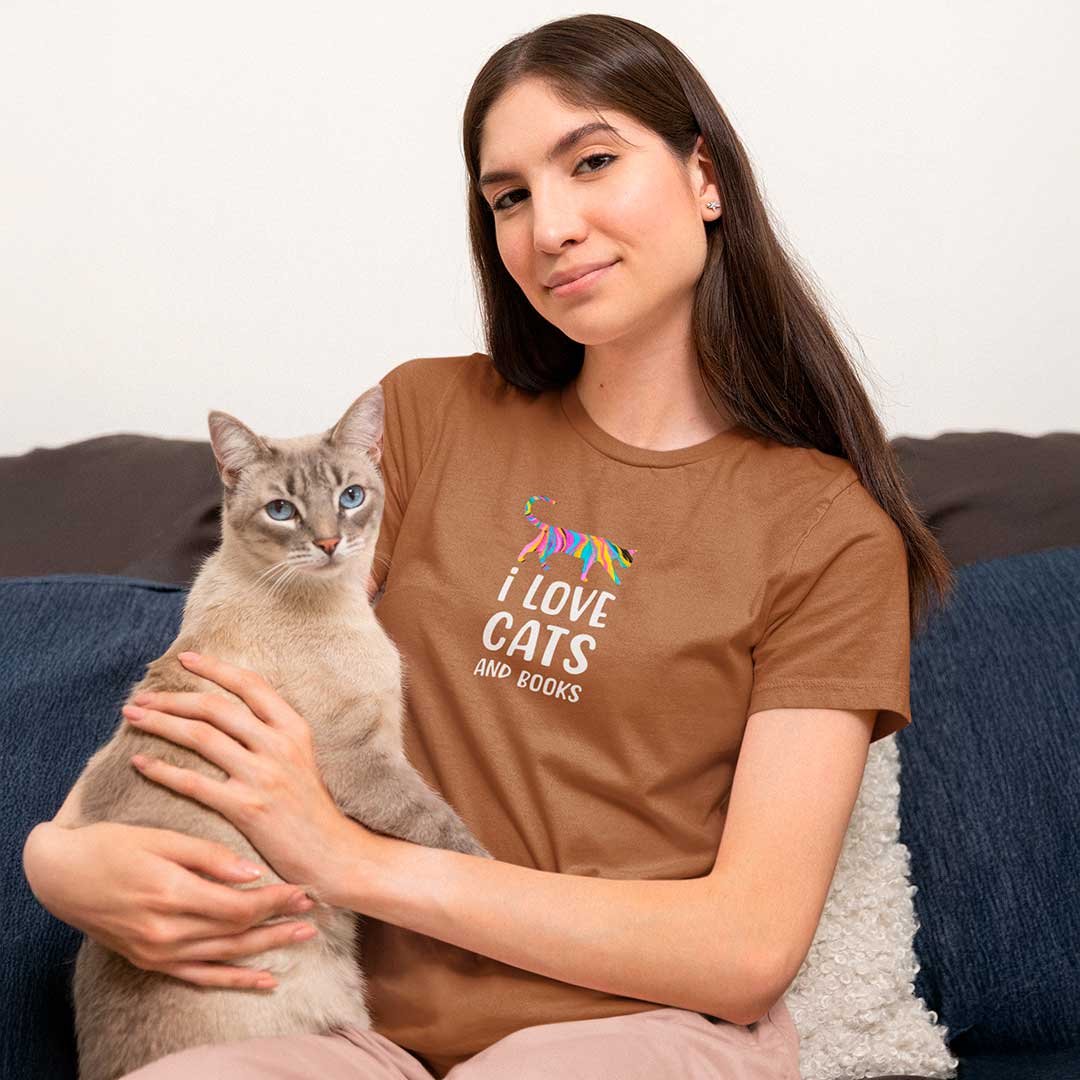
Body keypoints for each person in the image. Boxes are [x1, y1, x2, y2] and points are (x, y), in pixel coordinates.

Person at [22, 13, 954, 1080]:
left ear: (705, 177)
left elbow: (746, 952)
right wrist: (59, 860)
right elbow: (226, 669)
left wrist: (351, 861)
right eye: (508, 197)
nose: (548, 226)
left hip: (635, 1029)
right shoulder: (425, 419)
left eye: (592, 162)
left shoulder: (828, 531)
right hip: (349, 1031)